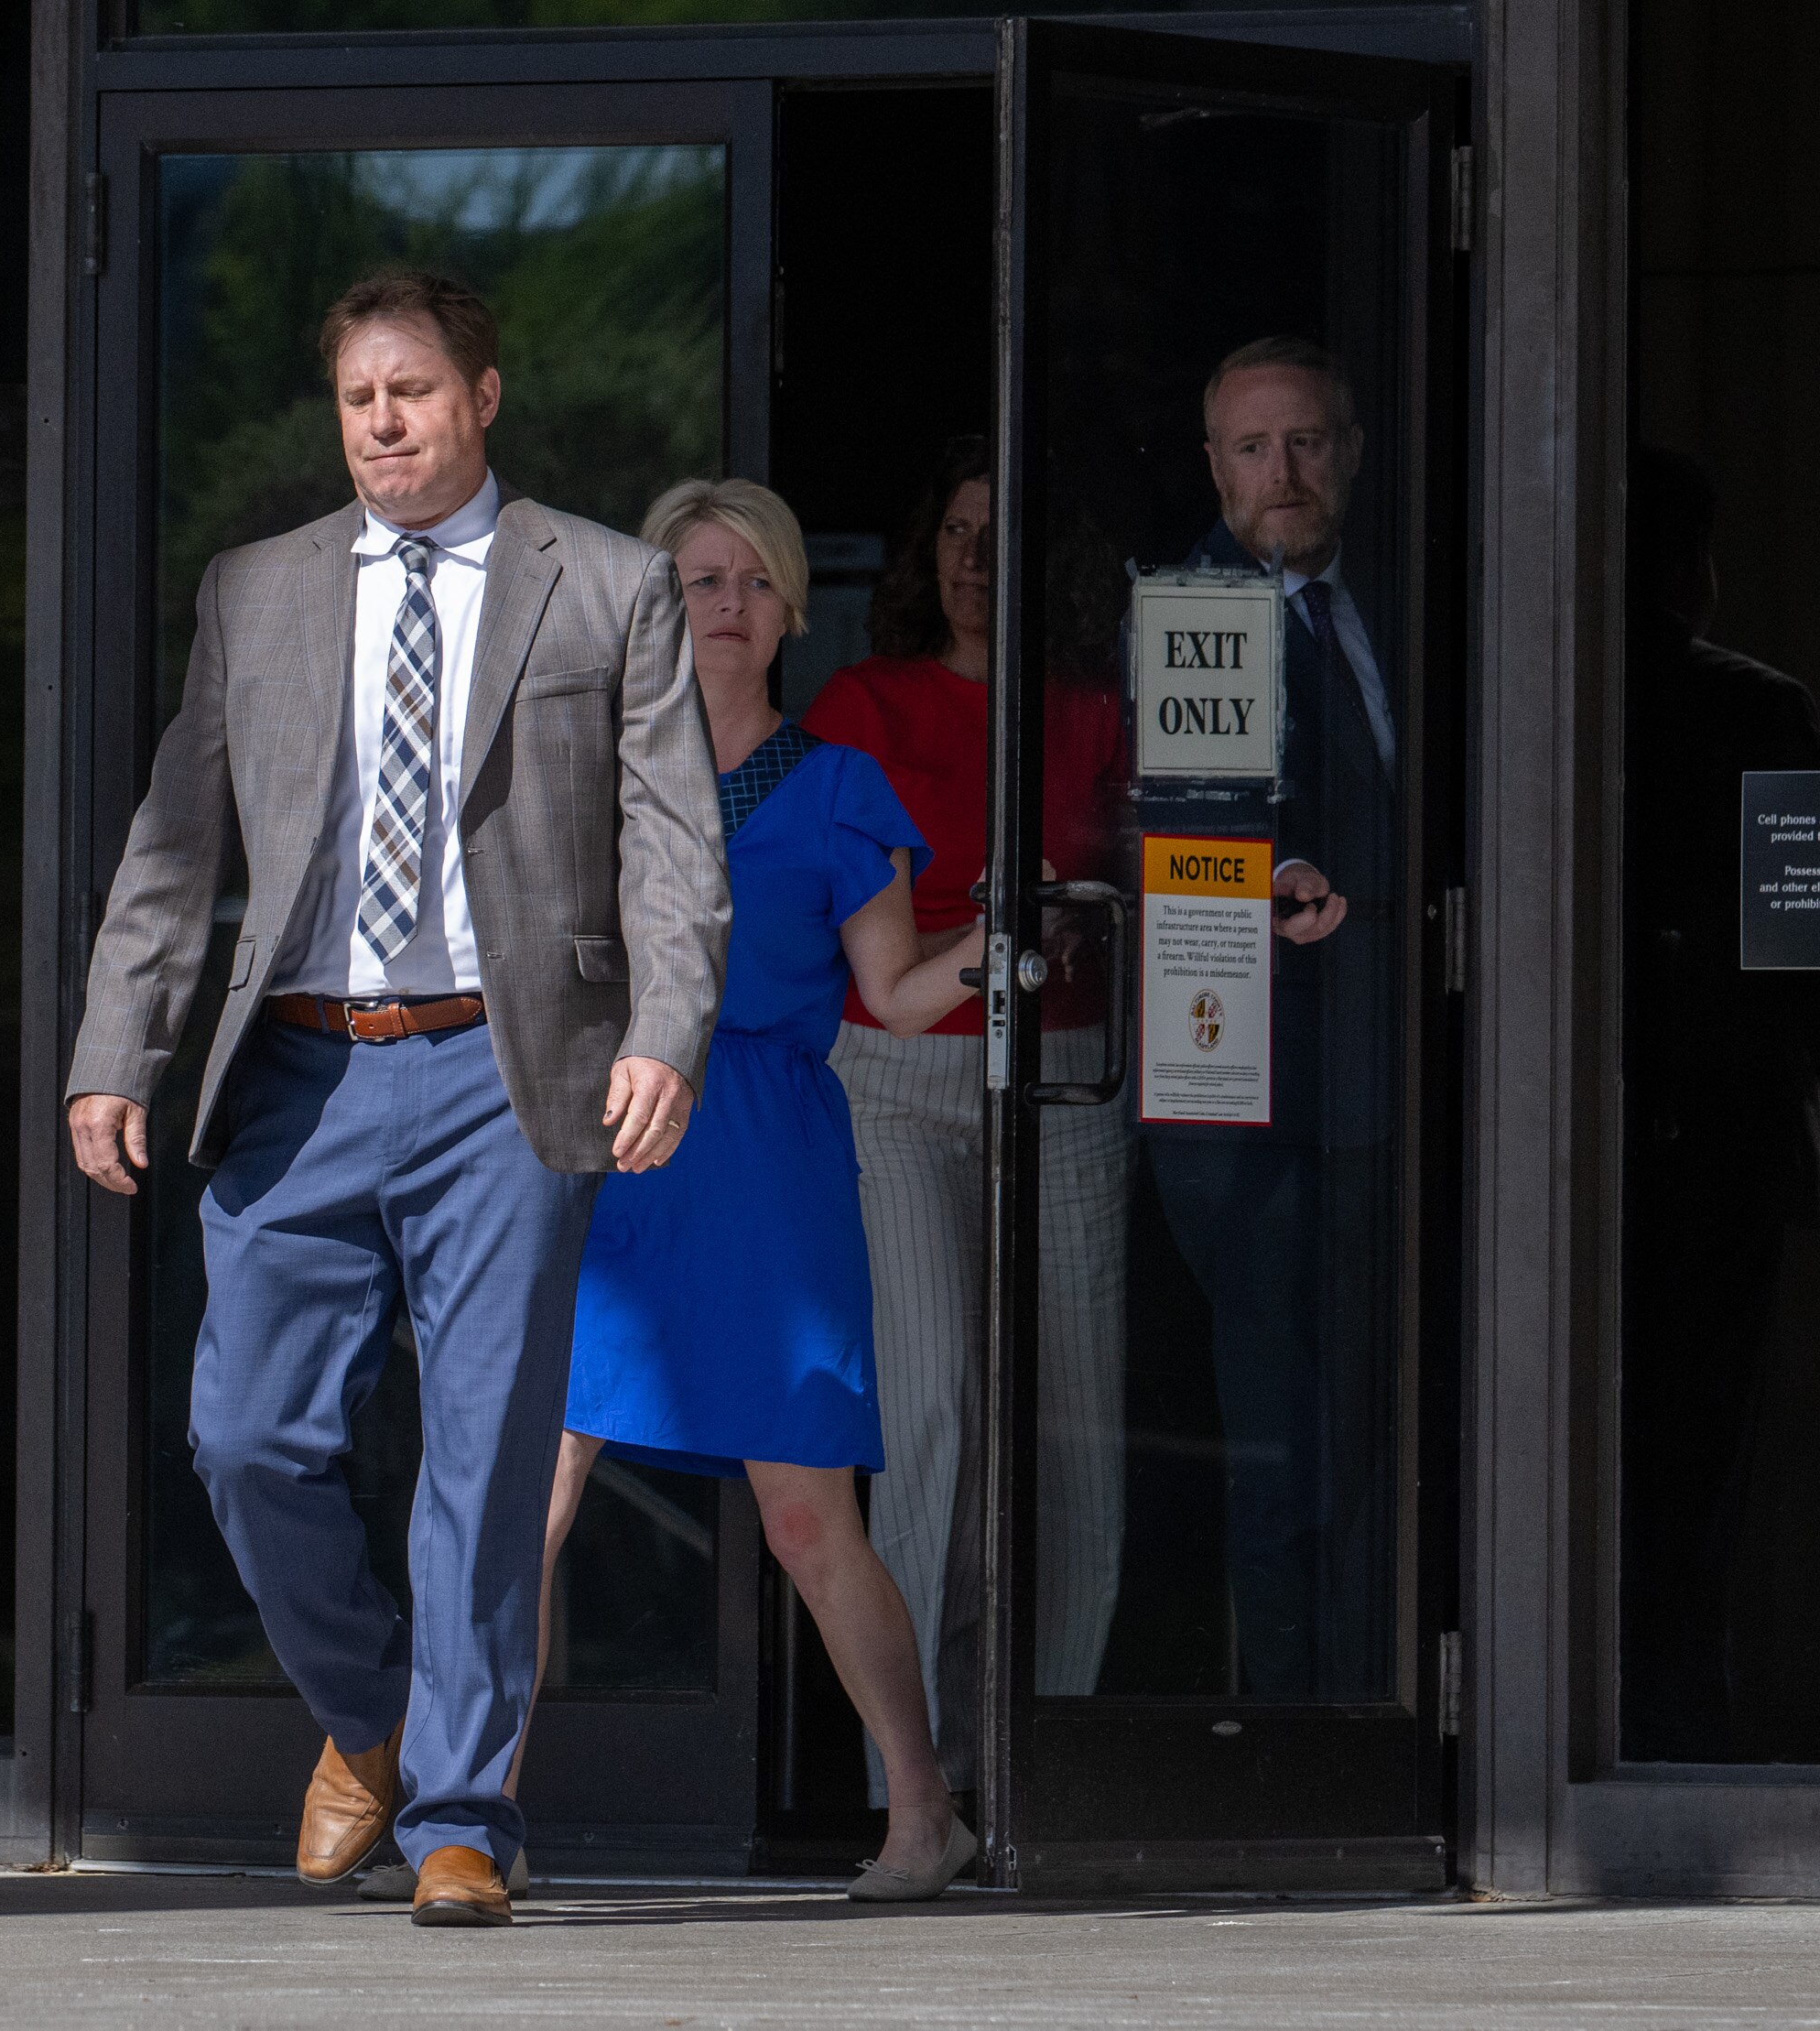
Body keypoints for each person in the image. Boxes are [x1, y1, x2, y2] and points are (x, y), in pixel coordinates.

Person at [64, 268, 729, 1927]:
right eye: (358, 399)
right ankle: (367, 1712)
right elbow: (175, 843)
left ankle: (458, 1815)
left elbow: (672, 842)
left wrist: (666, 1029)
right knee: (246, 1437)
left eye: (412, 393)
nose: (381, 424)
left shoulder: (609, 583)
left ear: (482, 397)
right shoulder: (259, 589)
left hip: (506, 1071)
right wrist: (116, 1047)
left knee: (487, 1456)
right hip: (300, 1069)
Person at [534, 478, 986, 1898]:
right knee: (529, 1496)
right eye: (696, 581)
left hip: (768, 1166)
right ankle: (460, 1818)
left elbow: (894, 992)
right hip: (610, 1150)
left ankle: (924, 1810)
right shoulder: (591, 774)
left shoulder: (841, 786)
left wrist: (1016, 941)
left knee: (807, 1518)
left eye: (752, 582)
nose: (725, 607)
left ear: (793, 608)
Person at [800, 439, 1132, 1801]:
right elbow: (824, 895)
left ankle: (1045, 1764)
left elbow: (1167, 874)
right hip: (898, 1075)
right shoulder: (865, 700)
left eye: (1000, 533)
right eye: (953, 530)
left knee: (1073, 1423)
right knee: (931, 1407)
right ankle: (915, 1780)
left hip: (1066, 1072)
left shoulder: (1099, 711)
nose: (974, 558)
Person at [1141, 335, 1402, 1700]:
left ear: (1349, 452)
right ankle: (1301, 1737)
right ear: (1214, 467)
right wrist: (1270, 871)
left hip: (1398, 1078)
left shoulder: (1411, 603)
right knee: (1281, 1441)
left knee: (1386, 1426)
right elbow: (1175, 812)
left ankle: (1382, 1706)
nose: (1282, 472)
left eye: (1304, 441)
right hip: (1245, 1109)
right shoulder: (1190, 609)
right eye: (1253, 448)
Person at [1618, 446, 1820, 1760]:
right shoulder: (1761, 711)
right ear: (1696, 567)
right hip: (1724, 1143)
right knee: (1699, 1465)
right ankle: (1678, 1731)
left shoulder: (1527, 692)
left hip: (1568, 1140)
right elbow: (1794, 949)